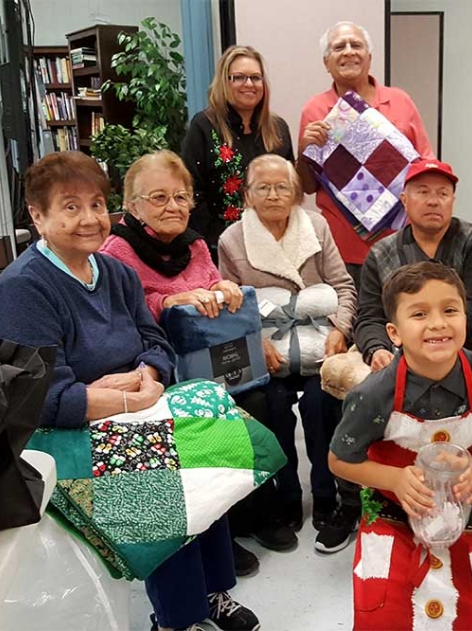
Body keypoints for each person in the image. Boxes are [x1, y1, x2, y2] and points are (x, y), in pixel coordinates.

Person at [0, 151, 260, 631]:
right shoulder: (23, 288)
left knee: (211, 435)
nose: (89, 219)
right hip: (46, 435)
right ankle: (177, 617)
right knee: (158, 469)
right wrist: (129, 399)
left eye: (96, 205)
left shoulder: (115, 273)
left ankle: (212, 591)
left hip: (126, 405)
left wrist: (144, 378)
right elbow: (40, 398)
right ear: (37, 216)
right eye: (70, 207)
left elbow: (156, 343)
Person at [100, 149, 298, 577]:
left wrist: (225, 289)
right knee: (212, 422)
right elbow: (123, 317)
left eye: (181, 197)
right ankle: (219, 532)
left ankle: (256, 513)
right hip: (159, 370)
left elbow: (212, 287)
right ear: (133, 206)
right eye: (159, 198)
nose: (173, 206)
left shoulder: (194, 244)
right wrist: (167, 301)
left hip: (215, 363)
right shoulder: (115, 252)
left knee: (271, 401)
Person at [329, 261, 472, 630]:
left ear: (466, 318)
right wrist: (394, 479)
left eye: (450, 310)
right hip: (392, 514)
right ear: (395, 332)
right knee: (385, 616)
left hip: (466, 512)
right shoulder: (373, 394)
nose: (438, 323)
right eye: (419, 314)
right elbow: (340, 460)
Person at [218, 154, 357, 555]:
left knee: (321, 403)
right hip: (269, 351)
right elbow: (230, 303)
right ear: (248, 195)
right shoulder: (232, 240)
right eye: (263, 187)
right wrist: (253, 342)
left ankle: (326, 494)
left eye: (282, 187)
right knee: (273, 406)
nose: (274, 195)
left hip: (318, 345)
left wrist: (339, 330)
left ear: (295, 193)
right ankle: (288, 495)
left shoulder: (316, 226)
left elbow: (344, 287)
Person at [297, 20, 434, 288]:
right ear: (327, 62)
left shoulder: (400, 100)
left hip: (401, 239)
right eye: (339, 47)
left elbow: (425, 166)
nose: (348, 51)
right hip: (343, 247)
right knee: (353, 323)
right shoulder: (314, 110)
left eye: (356, 45)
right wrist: (304, 152)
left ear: (369, 57)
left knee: (403, 318)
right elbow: (308, 186)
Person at [356, 158, 472, 371]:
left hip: (471, 352)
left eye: (442, 194)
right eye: (423, 192)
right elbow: (370, 316)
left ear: (452, 200)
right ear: (404, 200)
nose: (433, 201)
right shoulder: (380, 253)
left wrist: (431, 341)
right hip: (402, 354)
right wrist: (377, 348)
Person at [181, 45, 294, 260]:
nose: (249, 84)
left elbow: (291, 188)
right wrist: (219, 241)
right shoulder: (203, 126)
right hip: (221, 248)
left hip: (276, 244)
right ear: (225, 82)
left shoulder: (278, 128)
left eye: (256, 77)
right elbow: (191, 191)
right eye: (239, 77)